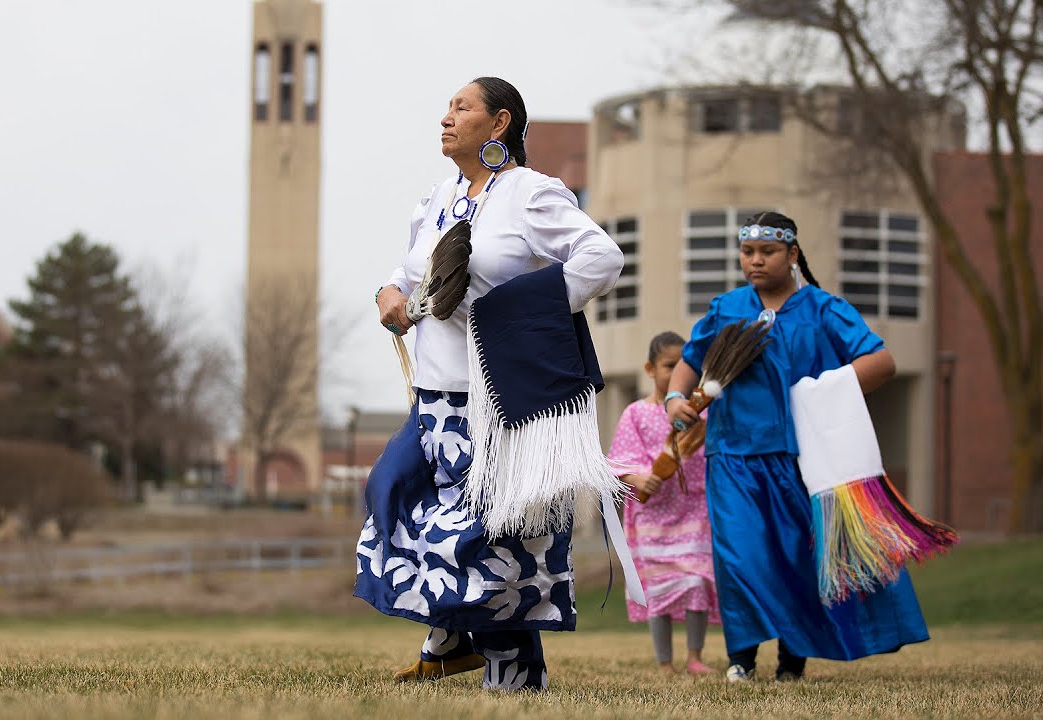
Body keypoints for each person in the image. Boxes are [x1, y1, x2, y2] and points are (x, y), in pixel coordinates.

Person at [355, 77, 623, 692]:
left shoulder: (530, 195)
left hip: (496, 403)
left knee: (485, 538)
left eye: (461, 107)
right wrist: (389, 293)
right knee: (391, 497)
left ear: (498, 124)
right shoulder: (437, 199)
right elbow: (406, 270)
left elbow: (600, 259)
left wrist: (512, 314)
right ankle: (448, 639)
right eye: (447, 107)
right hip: (433, 399)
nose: (446, 117)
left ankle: (513, 674)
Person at [665, 211, 929, 682]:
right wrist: (674, 398)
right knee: (739, 556)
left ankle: (792, 660)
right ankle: (741, 658)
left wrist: (820, 392)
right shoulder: (727, 308)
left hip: (798, 459)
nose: (755, 261)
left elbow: (882, 361)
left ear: (792, 254)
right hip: (731, 456)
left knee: (794, 557)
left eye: (767, 252)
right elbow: (691, 359)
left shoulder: (824, 310)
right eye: (747, 252)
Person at [609, 331, 719, 676]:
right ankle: (665, 662)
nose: (675, 373)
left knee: (697, 579)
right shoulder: (636, 413)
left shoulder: (700, 415)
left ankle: (695, 656)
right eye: (669, 365)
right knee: (658, 587)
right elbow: (618, 462)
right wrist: (640, 477)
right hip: (652, 517)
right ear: (650, 368)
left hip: (694, 511)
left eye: (683, 366)